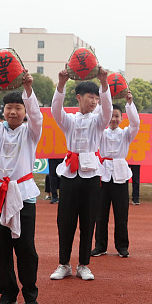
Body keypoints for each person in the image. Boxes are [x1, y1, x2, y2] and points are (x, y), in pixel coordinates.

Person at [0, 73, 43, 304]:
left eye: (18, 108)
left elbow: (37, 117)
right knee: (1, 247)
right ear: (2, 110)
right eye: (9, 108)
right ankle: (7, 293)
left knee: (26, 247)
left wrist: (28, 89)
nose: (13, 112)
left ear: (25, 111)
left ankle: (30, 293)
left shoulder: (31, 132)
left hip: (24, 194)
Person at [51, 68, 112, 281]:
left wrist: (104, 84)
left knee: (88, 220)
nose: (94, 101)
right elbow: (55, 111)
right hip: (69, 174)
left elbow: (108, 112)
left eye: (97, 98)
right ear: (79, 98)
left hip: (92, 174)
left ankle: (84, 264)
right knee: (65, 220)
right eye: (90, 97)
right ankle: (64, 264)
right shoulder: (69, 120)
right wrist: (61, 84)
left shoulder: (98, 121)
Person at [91, 91, 140, 258]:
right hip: (103, 174)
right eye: (111, 116)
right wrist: (102, 101)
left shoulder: (126, 133)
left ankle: (122, 246)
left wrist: (129, 104)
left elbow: (135, 124)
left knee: (121, 213)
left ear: (121, 118)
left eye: (117, 116)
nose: (113, 119)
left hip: (120, 174)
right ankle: (100, 245)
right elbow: (97, 118)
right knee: (100, 213)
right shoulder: (101, 132)